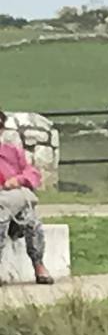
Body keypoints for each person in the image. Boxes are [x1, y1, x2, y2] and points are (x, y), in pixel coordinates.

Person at [0, 110, 53, 285]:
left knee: (31, 218)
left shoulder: (11, 152)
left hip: (15, 204)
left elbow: (32, 173)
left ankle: (38, 264)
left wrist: (19, 180)